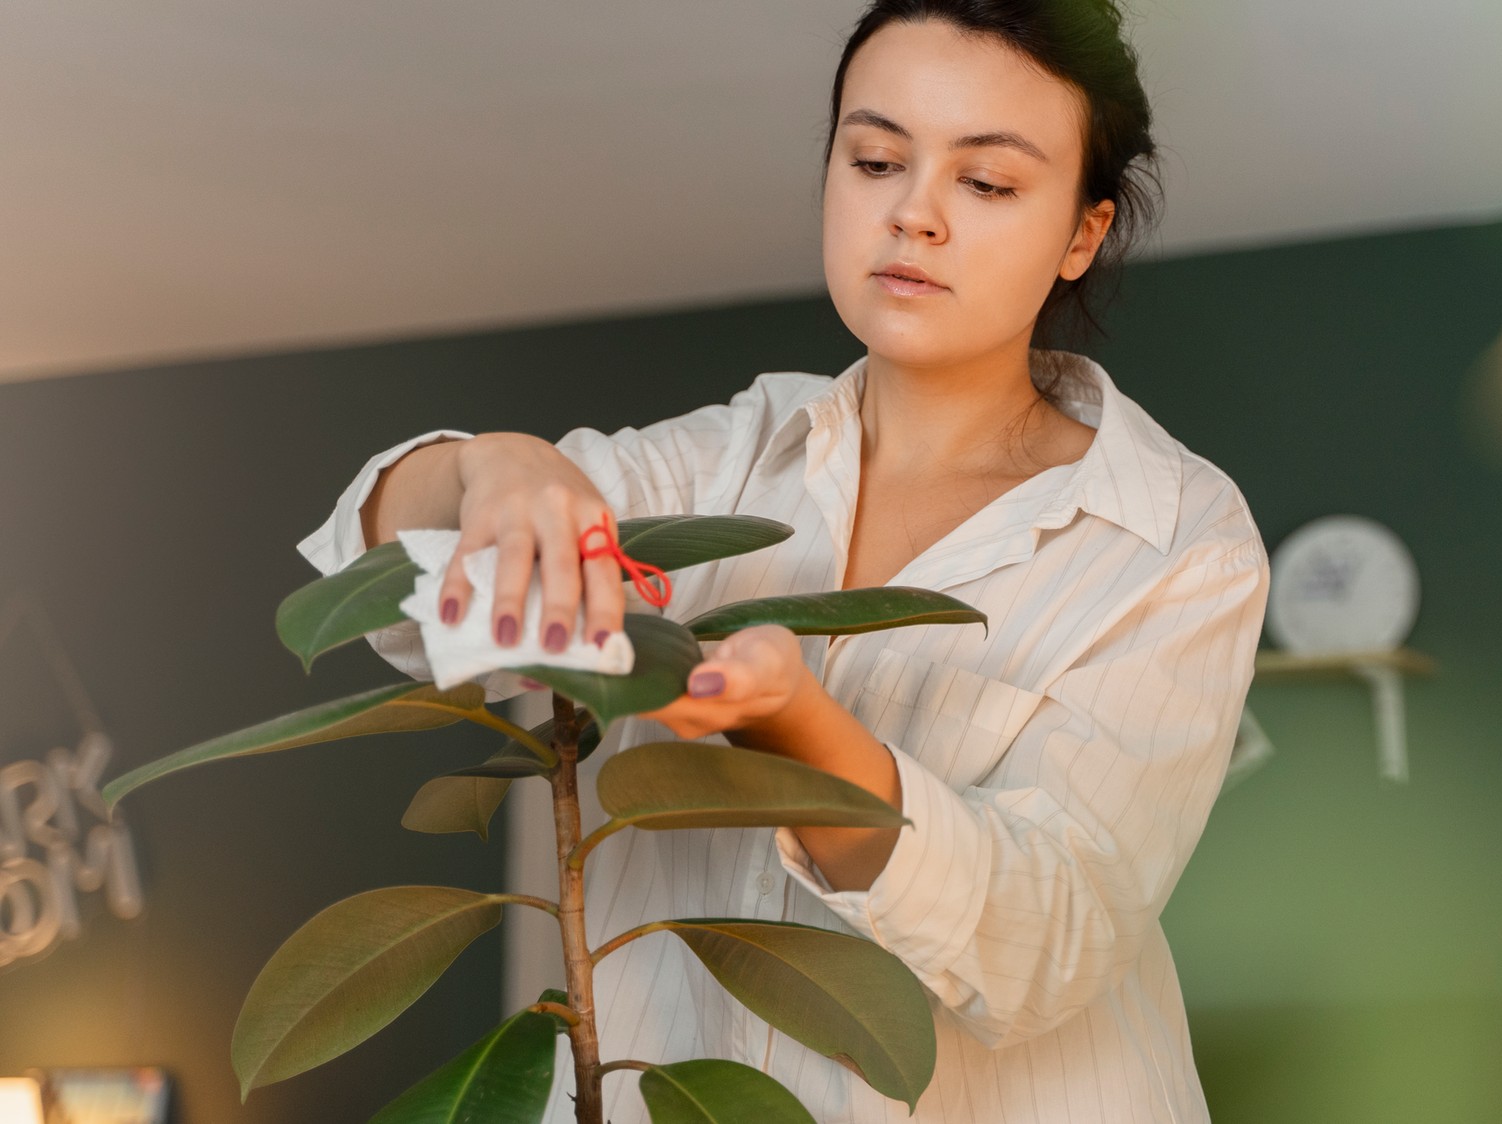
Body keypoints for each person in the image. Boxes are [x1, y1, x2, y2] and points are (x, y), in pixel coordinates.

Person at [296, 1, 1268, 1120]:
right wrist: (494, 471)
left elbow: (1048, 937)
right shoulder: (730, 458)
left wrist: (796, 728)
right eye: (874, 158)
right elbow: (383, 595)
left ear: (1080, 233)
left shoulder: (1174, 531)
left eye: (986, 183)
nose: (913, 214)